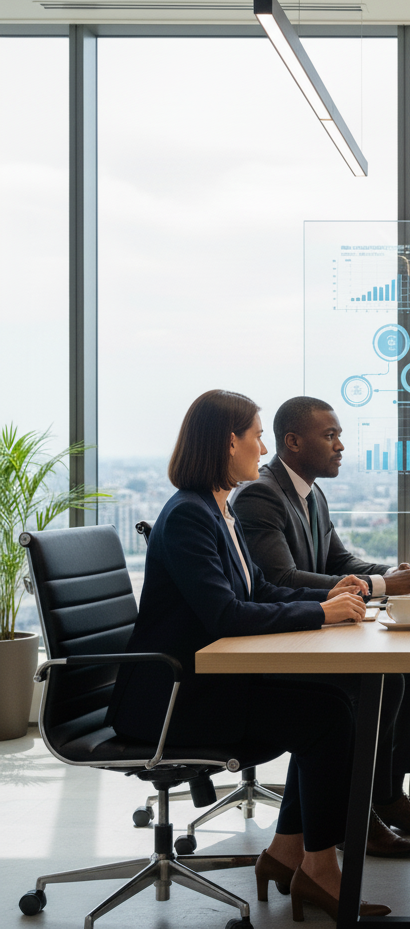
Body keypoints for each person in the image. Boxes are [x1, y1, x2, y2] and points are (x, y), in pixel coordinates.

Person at [109, 390, 391, 921]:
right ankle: (317, 869)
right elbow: (227, 616)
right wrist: (321, 615)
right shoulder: (190, 516)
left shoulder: (217, 509)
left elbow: (258, 589)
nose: (263, 449)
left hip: (200, 686)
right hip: (172, 701)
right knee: (328, 716)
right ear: (227, 441)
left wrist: (328, 599)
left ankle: (289, 855)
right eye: (257, 436)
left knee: (331, 704)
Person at [232, 396, 410, 854]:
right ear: (292, 442)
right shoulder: (261, 494)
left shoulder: (310, 492)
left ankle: (388, 795)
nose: (341, 447)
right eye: (329, 436)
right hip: (283, 640)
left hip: (312, 628)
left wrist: (398, 574)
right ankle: (361, 810)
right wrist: (381, 585)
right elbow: (279, 577)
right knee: (384, 679)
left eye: (339, 436)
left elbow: (340, 561)